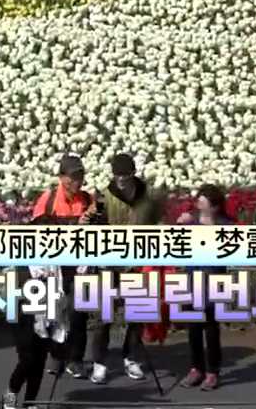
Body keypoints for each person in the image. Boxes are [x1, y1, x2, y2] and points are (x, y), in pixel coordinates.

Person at [85, 154, 165, 384]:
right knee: (104, 315)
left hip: (139, 263)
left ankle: (131, 357)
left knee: (137, 314)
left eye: (125, 175)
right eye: (117, 174)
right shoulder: (104, 197)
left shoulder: (148, 196)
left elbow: (157, 223)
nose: (120, 179)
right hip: (110, 262)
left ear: (133, 174)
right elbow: (94, 227)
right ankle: (99, 362)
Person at [32, 155, 95, 378]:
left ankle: (76, 359)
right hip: (54, 266)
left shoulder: (87, 200)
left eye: (80, 176)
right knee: (55, 313)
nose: (77, 181)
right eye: (73, 176)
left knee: (78, 313)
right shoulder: (48, 200)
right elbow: (38, 232)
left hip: (79, 266)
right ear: (62, 178)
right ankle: (56, 357)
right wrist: (72, 226)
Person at [4, 221, 70, 409]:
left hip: (49, 313)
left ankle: (30, 403)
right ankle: (9, 399)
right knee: (27, 360)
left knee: (39, 362)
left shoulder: (56, 261)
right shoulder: (22, 260)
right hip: (24, 316)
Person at [175, 184, 234, 391]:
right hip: (192, 280)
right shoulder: (191, 220)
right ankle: (196, 369)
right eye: (199, 197)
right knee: (193, 327)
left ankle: (212, 372)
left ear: (215, 205)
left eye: (204, 198)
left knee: (210, 328)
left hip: (213, 281)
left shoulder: (225, 225)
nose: (198, 200)